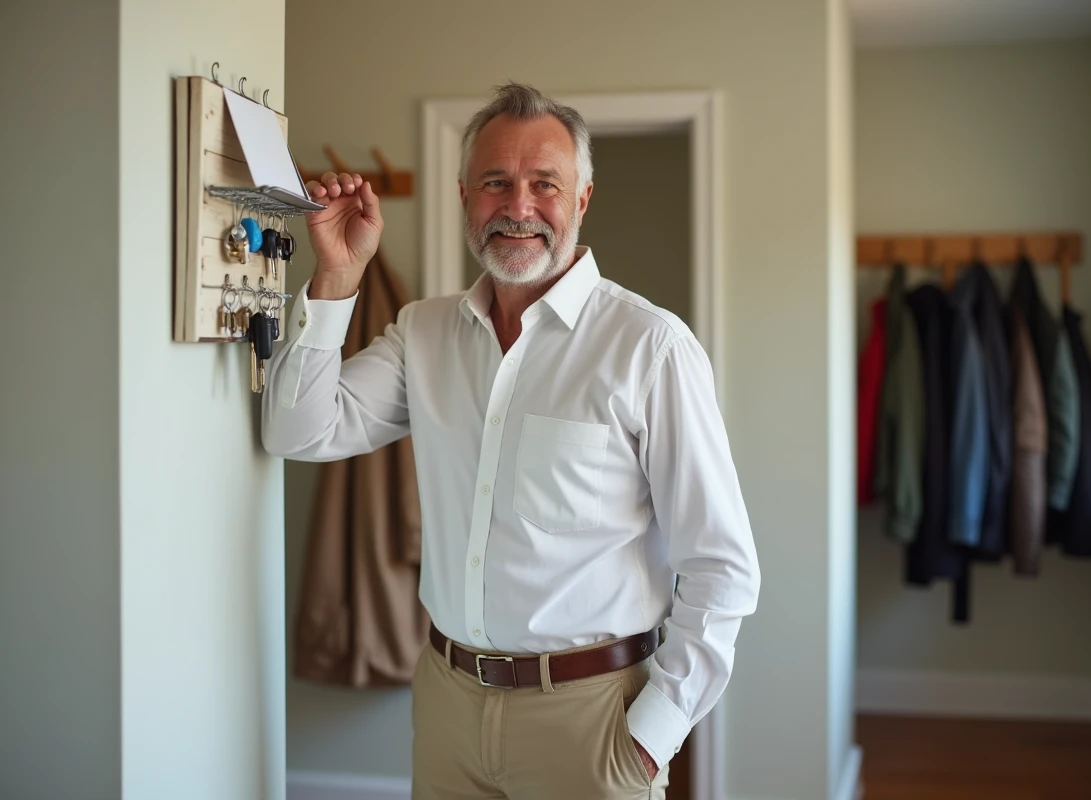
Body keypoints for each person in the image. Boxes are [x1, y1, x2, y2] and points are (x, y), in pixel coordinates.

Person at [262, 82, 760, 800]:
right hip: (445, 704)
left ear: (582, 198)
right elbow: (297, 429)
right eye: (496, 182)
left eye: (543, 185)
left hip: (590, 721)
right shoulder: (423, 333)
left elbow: (722, 567)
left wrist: (652, 736)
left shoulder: (649, 348)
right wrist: (338, 275)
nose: (517, 207)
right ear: (465, 194)